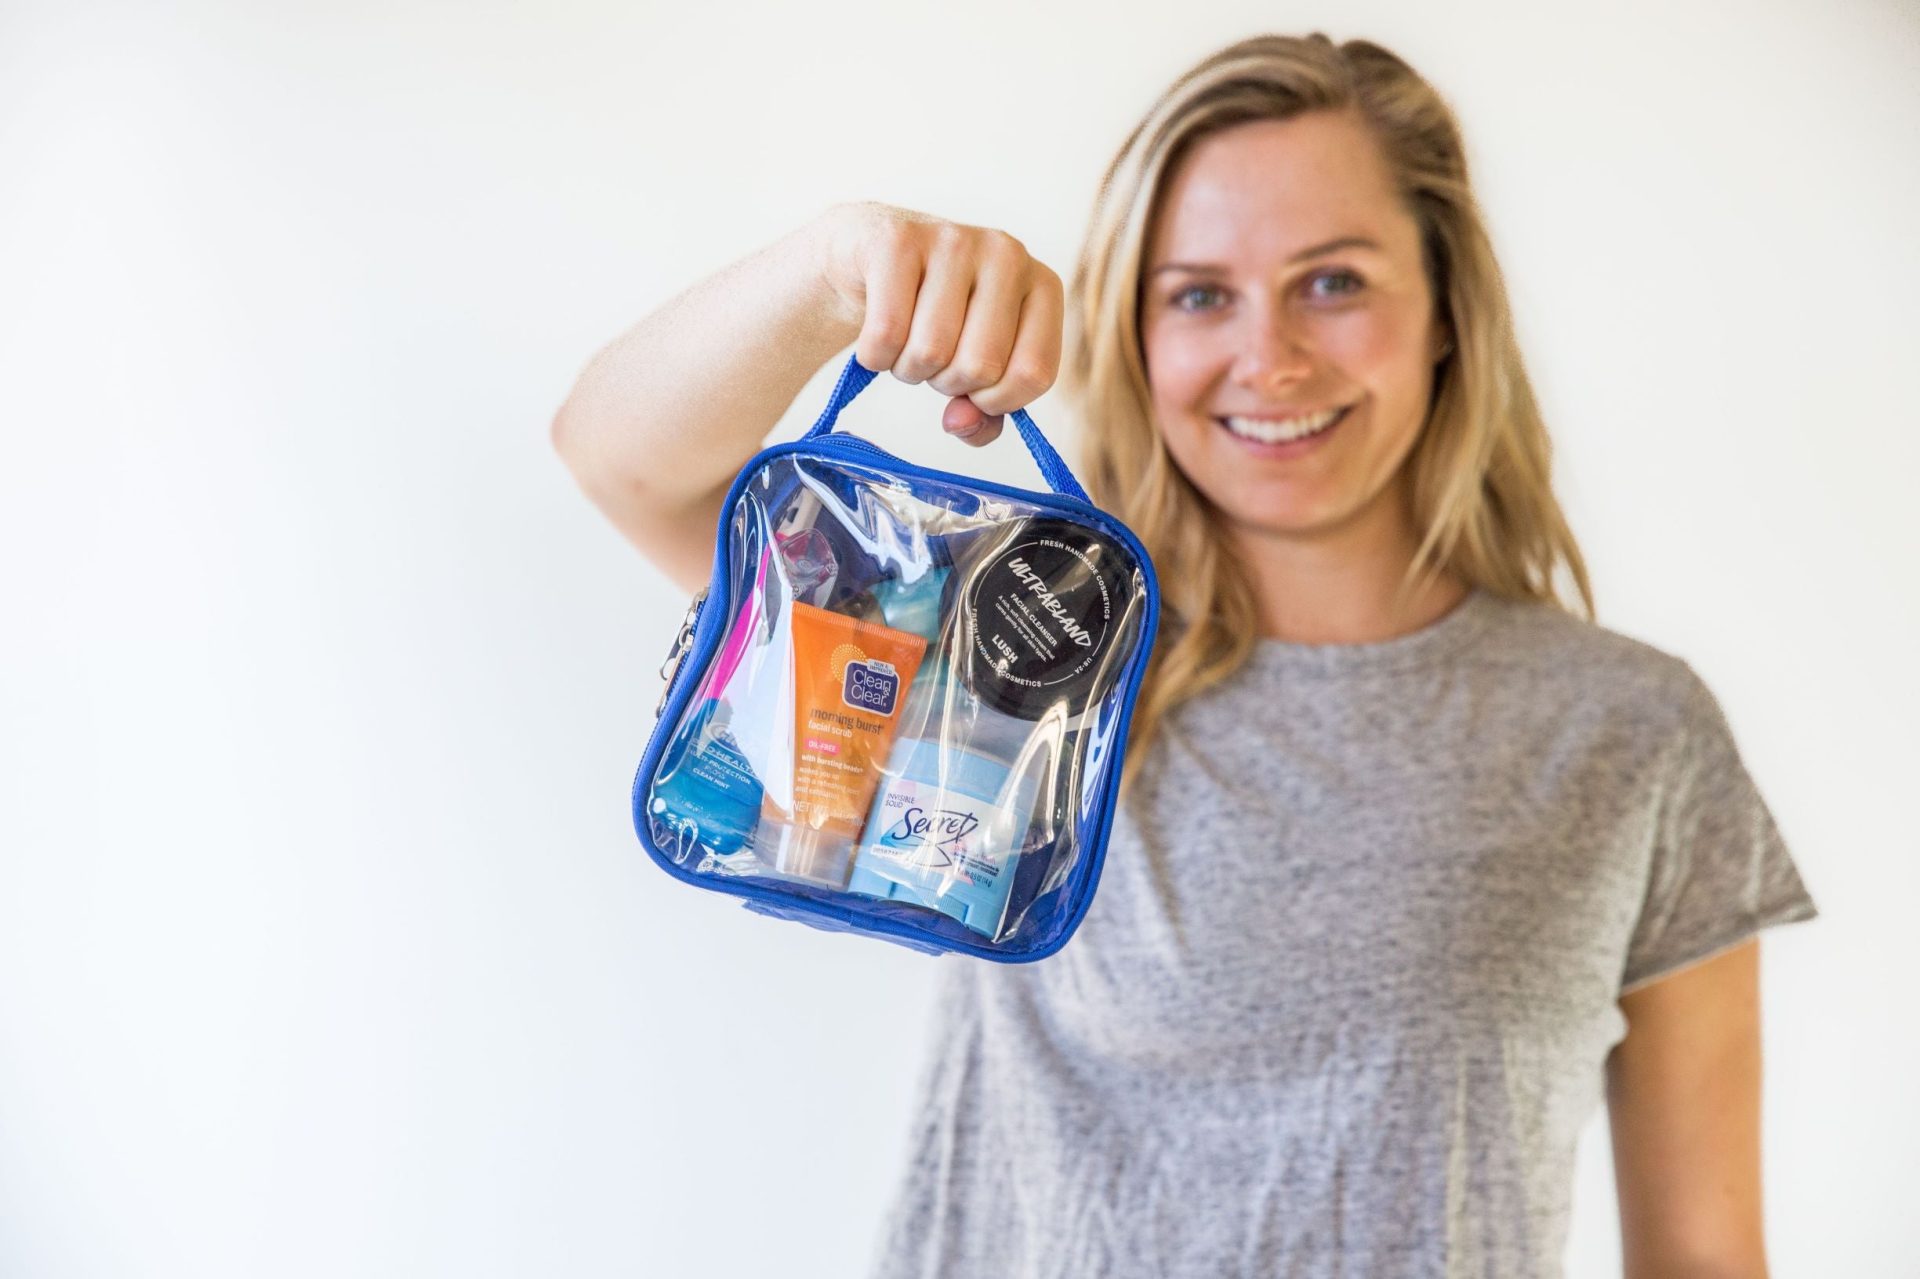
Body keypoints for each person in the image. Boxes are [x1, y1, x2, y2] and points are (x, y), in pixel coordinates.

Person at [551, 31, 1820, 1279]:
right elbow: (621, 456)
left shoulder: (1635, 732)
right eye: (1200, 293)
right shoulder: (1011, 633)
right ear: (1138, 336)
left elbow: (1705, 1252)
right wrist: (841, 271)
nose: (1268, 357)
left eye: (1334, 280)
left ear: (1445, 312)